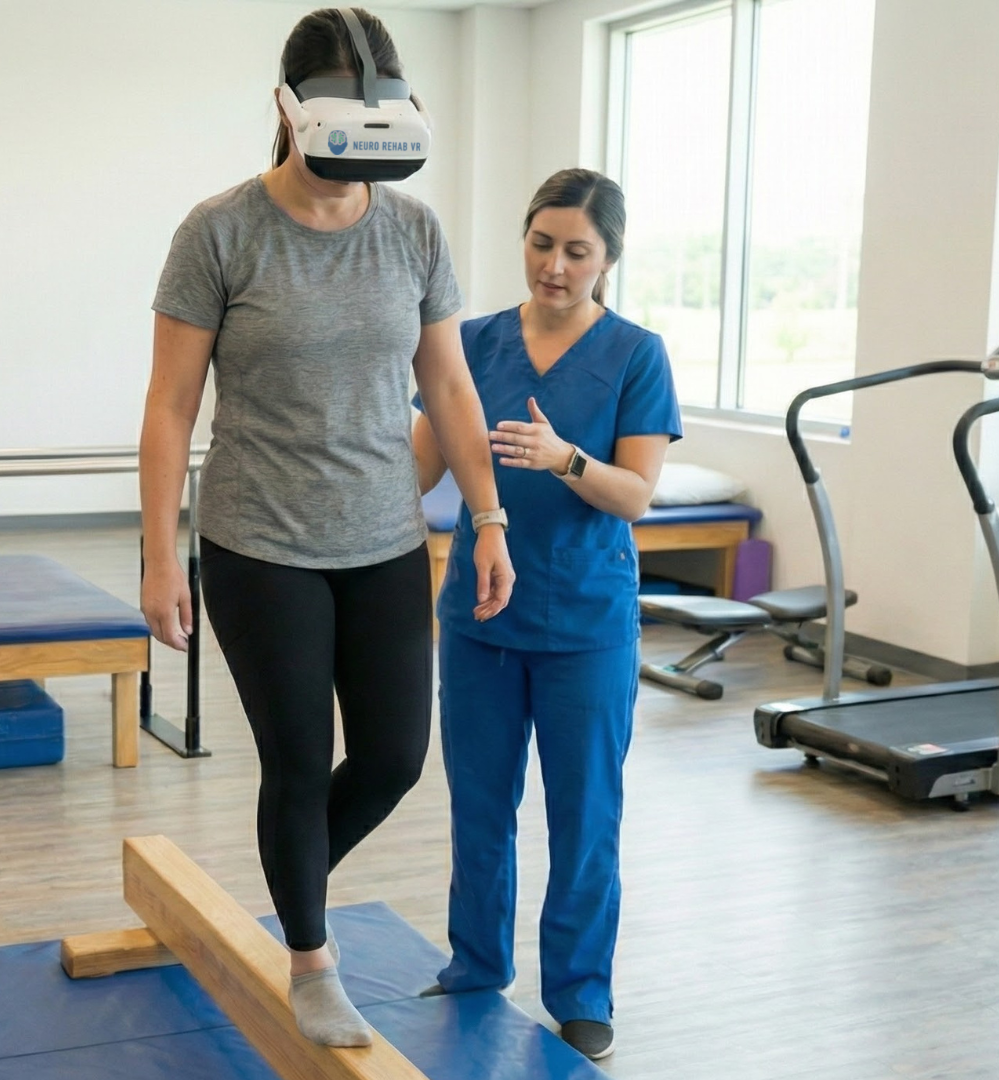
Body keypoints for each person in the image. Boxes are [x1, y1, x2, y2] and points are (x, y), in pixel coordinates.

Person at [137, 6, 515, 1049]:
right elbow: (170, 407)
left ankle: (290, 870)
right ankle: (311, 956)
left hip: (385, 536)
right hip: (259, 542)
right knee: (299, 765)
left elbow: (449, 385)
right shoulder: (220, 232)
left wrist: (488, 518)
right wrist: (162, 558)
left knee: (393, 757)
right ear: (291, 110)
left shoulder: (414, 230)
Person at [412, 168, 681, 1062]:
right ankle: (476, 966)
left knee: (584, 815)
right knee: (479, 807)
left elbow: (635, 495)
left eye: (576, 251)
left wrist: (565, 458)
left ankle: (581, 993)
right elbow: (416, 468)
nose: (554, 266)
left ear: (608, 260)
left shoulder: (636, 355)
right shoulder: (474, 341)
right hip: (481, 618)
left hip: (586, 627)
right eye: (540, 244)